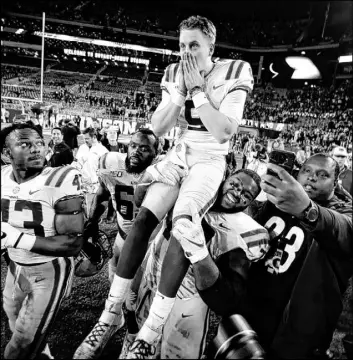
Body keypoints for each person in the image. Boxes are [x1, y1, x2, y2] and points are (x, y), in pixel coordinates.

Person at [74, 14, 253, 359]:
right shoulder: (174, 72)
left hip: (209, 158)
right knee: (143, 219)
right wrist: (180, 93)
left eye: (194, 45)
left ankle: (150, 331)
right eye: (182, 45)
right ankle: (109, 315)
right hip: (179, 153)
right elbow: (156, 127)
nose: (186, 52)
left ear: (211, 46)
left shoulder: (235, 69)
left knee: (184, 225)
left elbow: (224, 132)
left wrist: (199, 90)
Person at [194, 154, 352, 359]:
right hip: (249, 308)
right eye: (307, 171)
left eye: (323, 175)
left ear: (335, 183)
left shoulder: (342, 212)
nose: (312, 178)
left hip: (293, 328)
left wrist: (308, 210)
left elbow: (341, 228)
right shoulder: (277, 200)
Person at [120, 169, 269, 359]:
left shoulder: (244, 232)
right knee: (135, 340)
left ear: (251, 202)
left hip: (185, 305)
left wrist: (200, 255)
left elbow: (227, 300)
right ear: (225, 178)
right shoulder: (194, 192)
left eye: (246, 195)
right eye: (235, 184)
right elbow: (146, 214)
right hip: (150, 284)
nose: (237, 193)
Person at [0, 122, 85, 359]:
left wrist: (16, 238)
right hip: (16, 266)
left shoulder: (61, 179)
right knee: (12, 316)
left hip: (49, 270)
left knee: (20, 346)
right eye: (25, 144)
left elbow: (72, 243)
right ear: (6, 154)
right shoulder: (2, 177)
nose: (37, 149)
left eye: (39, 143)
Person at [73, 127, 109, 192]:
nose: (85, 141)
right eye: (84, 138)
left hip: (96, 187)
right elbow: (77, 164)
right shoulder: (82, 147)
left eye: (87, 138)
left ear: (94, 137)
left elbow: (105, 171)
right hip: (81, 186)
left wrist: (93, 179)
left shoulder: (103, 151)